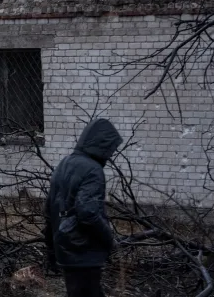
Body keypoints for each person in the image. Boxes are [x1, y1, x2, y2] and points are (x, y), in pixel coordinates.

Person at [44, 118, 123, 297]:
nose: (111, 155)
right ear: (102, 145)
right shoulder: (93, 170)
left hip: (65, 248)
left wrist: (51, 249)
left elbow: (49, 211)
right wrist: (109, 239)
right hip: (83, 250)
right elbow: (87, 213)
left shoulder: (64, 163)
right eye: (110, 149)